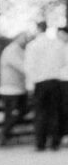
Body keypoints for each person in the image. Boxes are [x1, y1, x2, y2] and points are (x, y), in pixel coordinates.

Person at [24, 21, 63, 151]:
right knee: (54, 112)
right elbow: (63, 62)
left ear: (38, 29)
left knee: (40, 112)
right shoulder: (57, 44)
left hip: (40, 82)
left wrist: (29, 85)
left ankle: (40, 143)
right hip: (55, 81)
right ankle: (55, 142)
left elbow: (29, 66)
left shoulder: (33, 45)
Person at [0, 32, 30, 145]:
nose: (25, 40)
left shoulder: (20, 50)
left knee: (21, 111)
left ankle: (6, 134)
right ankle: (4, 135)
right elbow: (22, 67)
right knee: (12, 113)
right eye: (23, 37)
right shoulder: (11, 50)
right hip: (10, 88)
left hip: (19, 88)